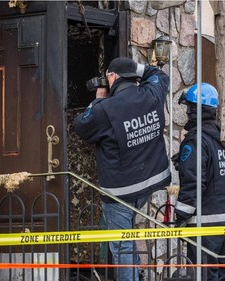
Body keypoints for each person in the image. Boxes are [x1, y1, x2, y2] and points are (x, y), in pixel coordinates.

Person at [74, 57, 171, 281]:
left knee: (121, 245)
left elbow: (81, 125)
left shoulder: (105, 108)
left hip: (119, 193)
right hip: (148, 186)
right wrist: (133, 69)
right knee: (128, 234)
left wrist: (98, 100)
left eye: (108, 75)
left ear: (113, 77)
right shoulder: (152, 93)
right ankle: (136, 273)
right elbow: (160, 75)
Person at [173, 83, 225, 281]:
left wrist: (180, 216)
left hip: (207, 224)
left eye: (188, 107)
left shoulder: (196, 141)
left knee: (204, 276)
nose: (186, 112)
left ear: (194, 110)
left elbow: (193, 183)